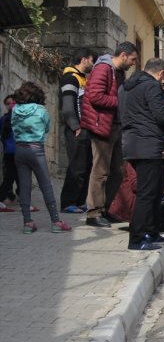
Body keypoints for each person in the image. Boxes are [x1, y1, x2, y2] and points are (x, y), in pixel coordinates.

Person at [118, 57, 164, 250]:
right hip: (147, 145)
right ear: (161, 73)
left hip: (131, 143)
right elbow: (160, 115)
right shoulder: (152, 86)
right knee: (147, 193)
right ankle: (137, 238)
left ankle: (152, 232)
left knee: (153, 190)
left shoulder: (126, 87)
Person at [109, 129, 164, 247]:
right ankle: (151, 225)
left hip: (158, 197)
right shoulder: (141, 158)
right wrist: (163, 189)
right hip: (137, 202)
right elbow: (136, 185)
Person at [81, 41, 138, 228]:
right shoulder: (103, 69)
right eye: (132, 59)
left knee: (118, 170)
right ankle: (93, 213)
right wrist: (121, 102)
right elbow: (94, 96)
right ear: (123, 55)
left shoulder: (118, 72)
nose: (133, 63)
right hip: (102, 127)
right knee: (100, 171)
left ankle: (106, 209)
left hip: (116, 126)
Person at [11, 82, 72, 233]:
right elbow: (47, 128)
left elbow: (13, 127)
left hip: (19, 150)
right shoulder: (41, 110)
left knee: (24, 187)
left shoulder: (15, 109)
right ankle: (56, 221)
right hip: (36, 150)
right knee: (46, 186)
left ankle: (27, 223)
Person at [59, 48, 95, 214]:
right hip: (77, 130)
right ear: (84, 60)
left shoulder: (82, 79)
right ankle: (68, 202)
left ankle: (80, 201)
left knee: (86, 166)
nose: (93, 64)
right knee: (76, 167)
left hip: (85, 129)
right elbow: (67, 107)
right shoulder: (71, 78)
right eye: (91, 60)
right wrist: (76, 127)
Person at [0, 94, 19, 210]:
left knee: (18, 176)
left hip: (19, 151)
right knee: (10, 176)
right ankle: (2, 197)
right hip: (10, 152)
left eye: (13, 103)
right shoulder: (3, 119)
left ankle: (14, 196)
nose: (10, 105)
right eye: (8, 103)